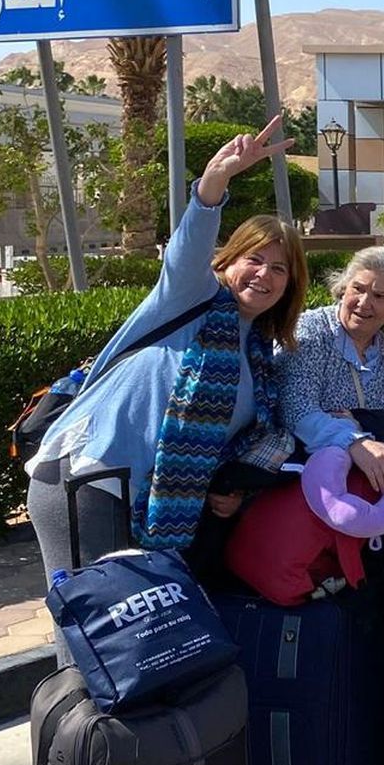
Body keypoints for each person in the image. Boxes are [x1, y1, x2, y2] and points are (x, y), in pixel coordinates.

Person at [25, 118, 304, 613]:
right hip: (90, 476)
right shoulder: (190, 297)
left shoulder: (259, 356)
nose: (264, 274)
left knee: (135, 634)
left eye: (279, 268)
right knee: (98, 629)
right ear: (229, 261)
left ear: (291, 284)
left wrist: (229, 489)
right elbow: (188, 247)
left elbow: (217, 443)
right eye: (254, 259)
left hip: (146, 506)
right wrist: (215, 183)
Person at [278, 246, 384, 476]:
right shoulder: (310, 332)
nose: (364, 303)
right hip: (305, 476)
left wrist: (364, 426)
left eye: (379, 296)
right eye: (358, 289)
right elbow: (296, 409)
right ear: (344, 289)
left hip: (375, 483)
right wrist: (353, 441)